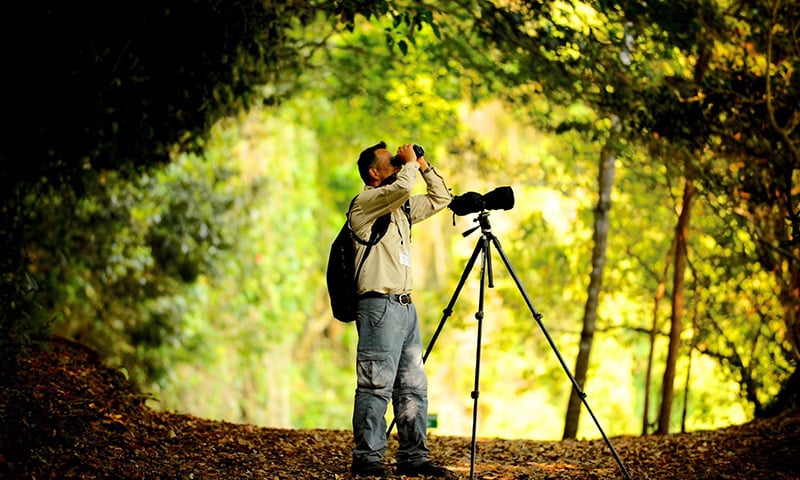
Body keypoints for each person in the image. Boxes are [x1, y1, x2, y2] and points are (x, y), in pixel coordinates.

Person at [348, 141, 454, 478]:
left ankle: (414, 457)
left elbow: (442, 199)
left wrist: (422, 164)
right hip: (378, 306)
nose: (396, 164)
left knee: (412, 387)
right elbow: (404, 185)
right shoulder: (365, 203)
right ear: (373, 173)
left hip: (405, 308)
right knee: (375, 384)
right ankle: (367, 459)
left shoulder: (401, 209)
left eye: (397, 161)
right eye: (389, 162)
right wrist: (408, 166)